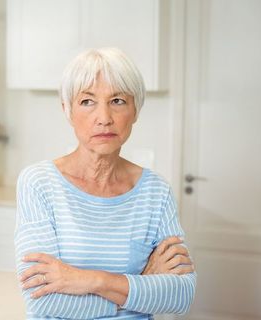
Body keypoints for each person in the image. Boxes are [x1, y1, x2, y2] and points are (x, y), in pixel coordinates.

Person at [14, 48, 196, 320]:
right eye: (87, 101)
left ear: (136, 110)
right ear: (67, 109)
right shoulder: (39, 183)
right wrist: (139, 284)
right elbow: (42, 298)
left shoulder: (156, 192)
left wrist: (89, 280)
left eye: (118, 100)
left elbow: (181, 295)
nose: (104, 117)